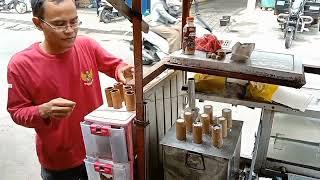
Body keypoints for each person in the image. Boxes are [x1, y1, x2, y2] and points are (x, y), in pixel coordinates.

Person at [6, 0, 134, 179]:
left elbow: (115, 66)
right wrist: (43, 110)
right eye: (59, 24)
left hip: (99, 150)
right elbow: (17, 111)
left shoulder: (87, 45)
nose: (70, 30)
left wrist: (121, 70)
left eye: (74, 21)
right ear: (38, 24)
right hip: (59, 163)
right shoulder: (21, 65)